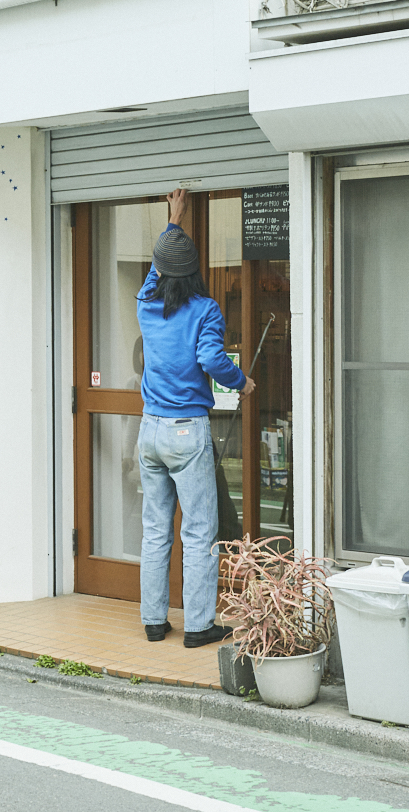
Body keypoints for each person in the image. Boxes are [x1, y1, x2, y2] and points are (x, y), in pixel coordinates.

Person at [136, 188, 255, 648]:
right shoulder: (205, 310)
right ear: (194, 272)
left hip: (150, 430)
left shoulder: (147, 304)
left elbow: (157, 269)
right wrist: (241, 382)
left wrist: (174, 218)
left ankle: (153, 621)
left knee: (155, 529)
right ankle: (200, 625)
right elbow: (211, 358)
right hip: (187, 432)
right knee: (199, 530)